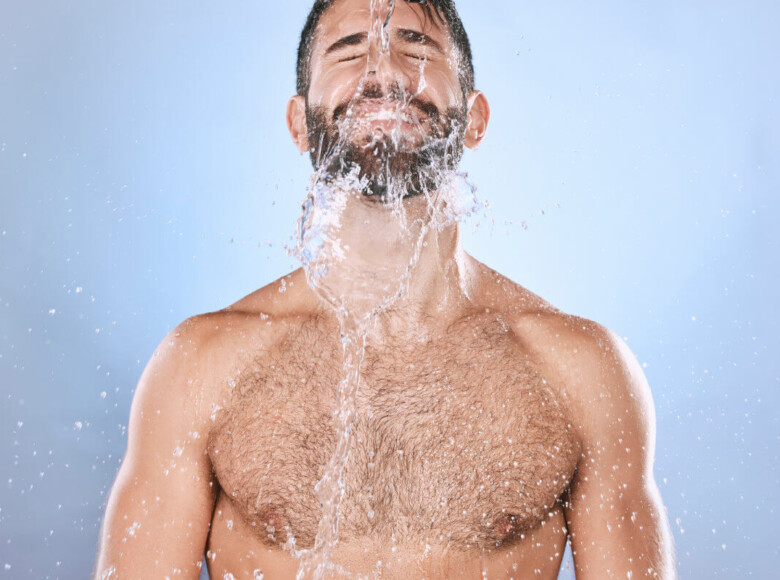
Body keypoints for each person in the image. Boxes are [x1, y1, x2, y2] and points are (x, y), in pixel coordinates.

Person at [94, 0, 676, 578]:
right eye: (349, 51)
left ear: (475, 119)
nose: (386, 70)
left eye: (416, 47)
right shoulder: (201, 367)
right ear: (299, 123)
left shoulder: (580, 371)